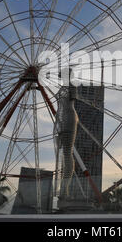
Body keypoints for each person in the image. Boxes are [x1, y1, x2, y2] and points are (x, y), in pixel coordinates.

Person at [54, 68, 78, 199]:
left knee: (67, 153)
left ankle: (65, 188)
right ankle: (62, 188)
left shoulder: (72, 86)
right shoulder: (63, 88)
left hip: (69, 118)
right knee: (62, 153)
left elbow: (69, 103)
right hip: (61, 119)